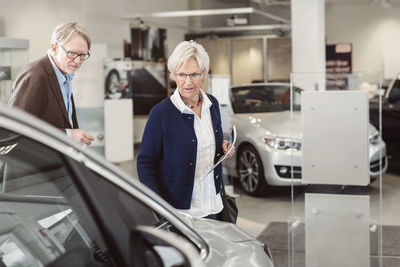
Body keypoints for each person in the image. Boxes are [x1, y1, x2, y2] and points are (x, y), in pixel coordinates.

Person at [137, 40, 235, 220]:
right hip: (180, 213)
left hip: (212, 203)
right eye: (181, 75)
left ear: (203, 74)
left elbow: (212, 144)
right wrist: (159, 207)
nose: (188, 82)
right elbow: (145, 163)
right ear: (173, 75)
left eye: (194, 74)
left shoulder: (212, 105)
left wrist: (224, 150)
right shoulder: (161, 113)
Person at [9, 22, 94, 146]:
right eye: (71, 53)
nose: (77, 61)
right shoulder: (36, 75)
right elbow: (16, 127)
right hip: (36, 162)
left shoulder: (65, 75)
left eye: (82, 55)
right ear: (54, 48)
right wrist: (68, 135)